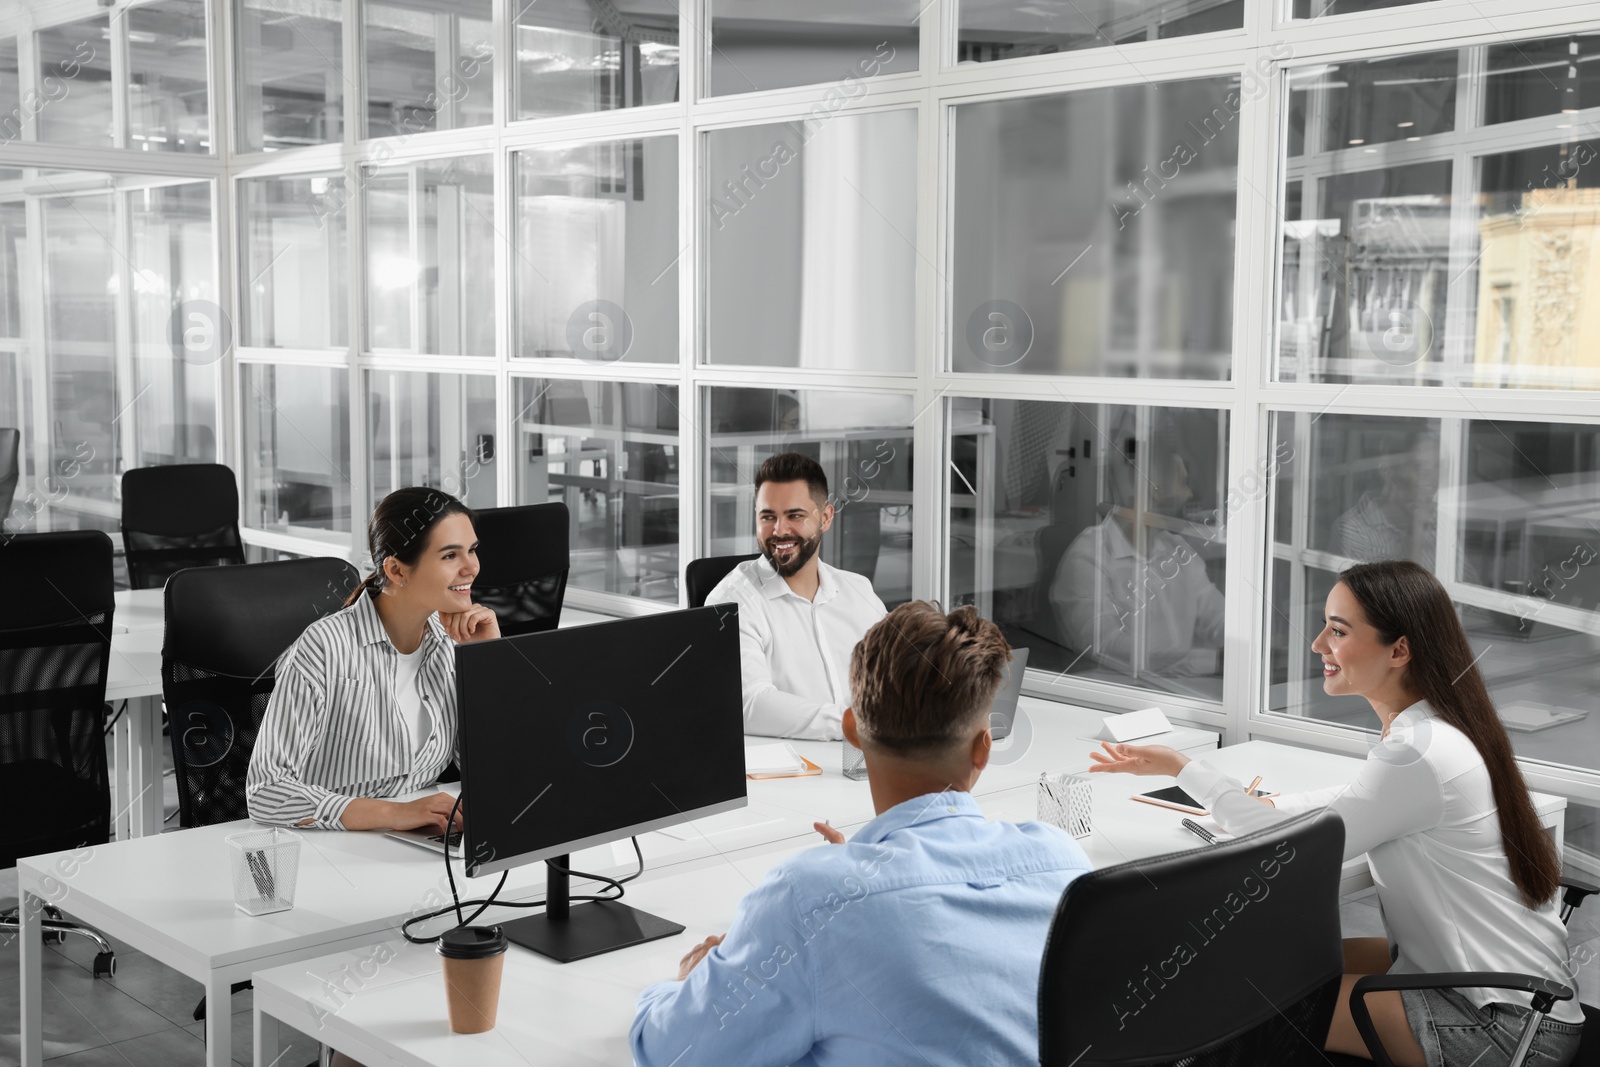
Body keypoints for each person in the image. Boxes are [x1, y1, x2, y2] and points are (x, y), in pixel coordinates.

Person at [1088, 559, 1582, 1067]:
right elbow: (1344, 801)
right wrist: (1266, 802)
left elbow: (1281, 843)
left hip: (1504, 1029)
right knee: (1266, 961)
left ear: (1400, 650)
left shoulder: (1419, 752)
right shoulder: (1436, 729)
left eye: (1338, 630)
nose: (1318, 644)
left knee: (1245, 1000)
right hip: (1516, 998)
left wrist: (1183, 768)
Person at [629, 601, 1093, 1066]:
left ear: (852, 729)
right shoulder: (1064, 864)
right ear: (983, 750)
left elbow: (671, 1053)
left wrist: (689, 982)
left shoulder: (810, 898)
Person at [246, 486, 501, 833]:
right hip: (331, 852)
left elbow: (492, 771)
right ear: (396, 571)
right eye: (449, 556)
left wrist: (487, 660)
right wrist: (395, 814)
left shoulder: (449, 643)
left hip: (419, 843)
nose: (471, 567)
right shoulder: (325, 647)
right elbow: (265, 792)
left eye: (471, 550)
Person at [705, 451, 886, 738]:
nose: (779, 530)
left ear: (825, 518)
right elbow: (749, 703)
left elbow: (897, 676)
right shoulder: (732, 601)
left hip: (868, 760)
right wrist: (853, 725)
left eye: (795, 515)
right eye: (768, 517)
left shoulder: (858, 590)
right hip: (788, 774)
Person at [1050, 448, 1224, 678]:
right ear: (1146, 491)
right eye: (1182, 483)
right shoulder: (1088, 555)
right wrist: (1213, 661)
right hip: (1116, 697)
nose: (1189, 495)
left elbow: (1217, 616)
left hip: (1181, 690)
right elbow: (1107, 647)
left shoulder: (1178, 550)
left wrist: (1253, 648)